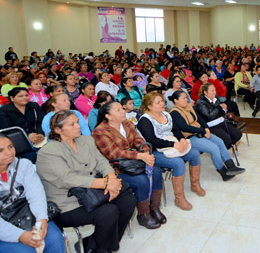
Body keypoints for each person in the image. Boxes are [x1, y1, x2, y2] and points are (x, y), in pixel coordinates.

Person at [37, 110, 137, 253]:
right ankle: (102, 248)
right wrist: (105, 184)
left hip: (91, 192)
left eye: (77, 122)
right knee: (109, 212)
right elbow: (66, 179)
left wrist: (112, 178)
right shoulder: (48, 152)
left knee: (127, 200)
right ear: (58, 130)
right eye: (72, 125)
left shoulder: (86, 140)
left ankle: (95, 243)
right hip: (67, 203)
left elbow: (101, 161)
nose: (78, 126)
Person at [93, 101, 165, 229]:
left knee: (157, 171)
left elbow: (138, 140)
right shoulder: (100, 131)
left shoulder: (127, 124)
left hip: (133, 163)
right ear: (108, 116)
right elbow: (113, 153)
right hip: (115, 168)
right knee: (141, 181)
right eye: (118, 110)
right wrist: (139, 156)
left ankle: (154, 207)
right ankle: (144, 214)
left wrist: (146, 152)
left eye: (122, 108)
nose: (123, 111)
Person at [0, 135, 65, 253]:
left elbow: (36, 194)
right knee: (26, 250)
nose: (9, 152)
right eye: (1, 150)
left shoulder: (24, 165)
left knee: (54, 240)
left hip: (28, 215)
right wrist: (20, 235)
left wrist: (41, 220)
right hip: (4, 227)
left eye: (10, 146)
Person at [137, 93, 201, 211]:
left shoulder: (166, 114)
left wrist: (182, 139)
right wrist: (174, 144)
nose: (162, 104)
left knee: (195, 154)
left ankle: (195, 184)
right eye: (158, 102)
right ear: (149, 106)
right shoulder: (145, 120)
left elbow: (175, 129)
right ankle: (179, 198)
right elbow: (152, 141)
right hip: (155, 151)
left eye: (162, 101)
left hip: (172, 145)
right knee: (178, 163)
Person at [169, 91, 245, 181]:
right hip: (190, 137)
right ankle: (223, 172)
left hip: (200, 132)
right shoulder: (174, 112)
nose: (186, 99)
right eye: (183, 98)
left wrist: (206, 128)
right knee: (214, 148)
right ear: (175, 100)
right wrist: (203, 131)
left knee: (220, 142)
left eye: (186, 97)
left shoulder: (188, 107)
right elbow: (184, 127)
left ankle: (231, 166)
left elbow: (199, 119)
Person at [0, 88, 44, 162]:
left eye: (26, 95)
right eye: (20, 96)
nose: (24, 98)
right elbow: (9, 129)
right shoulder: (4, 111)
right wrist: (28, 136)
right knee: (31, 156)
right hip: (18, 141)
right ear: (12, 98)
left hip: (37, 137)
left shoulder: (34, 106)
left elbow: (41, 122)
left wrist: (40, 134)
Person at [194, 83, 243, 149]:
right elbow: (209, 116)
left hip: (220, 122)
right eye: (212, 90)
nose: (214, 92)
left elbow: (219, 111)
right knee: (227, 139)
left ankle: (223, 148)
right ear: (205, 92)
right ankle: (221, 149)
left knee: (238, 134)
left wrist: (223, 109)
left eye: (215, 90)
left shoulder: (215, 99)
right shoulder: (200, 102)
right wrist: (219, 108)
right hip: (211, 126)